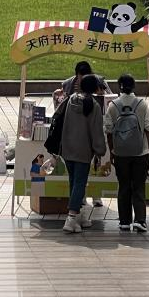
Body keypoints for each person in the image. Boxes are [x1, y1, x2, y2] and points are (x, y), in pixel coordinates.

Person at [104, 74, 149, 233]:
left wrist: (112, 151)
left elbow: (108, 131)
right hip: (141, 152)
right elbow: (148, 128)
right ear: (134, 86)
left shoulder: (113, 106)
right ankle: (140, 220)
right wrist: (148, 151)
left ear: (119, 86)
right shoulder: (142, 104)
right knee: (139, 186)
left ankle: (124, 221)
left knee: (124, 186)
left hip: (120, 153)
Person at [61, 74, 107, 234]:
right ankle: (71, 217)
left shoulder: (71, 100)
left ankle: (78, 216)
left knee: (74, 182)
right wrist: (100, 150)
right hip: (83, 150)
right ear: (95, 88)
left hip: (67, 148)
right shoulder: (94, 105)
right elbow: (96, 131)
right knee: (80, 183)